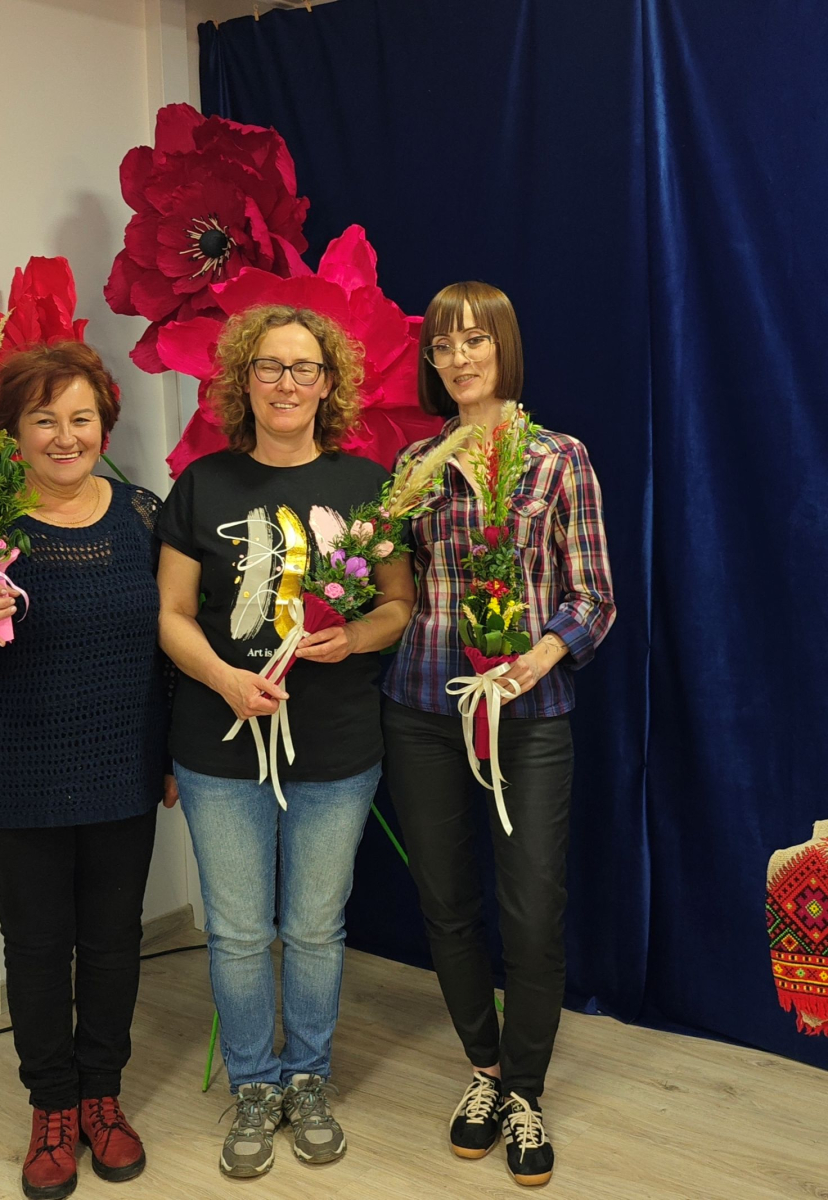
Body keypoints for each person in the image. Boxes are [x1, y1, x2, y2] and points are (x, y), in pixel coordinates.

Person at [156, 304, 415, 1179]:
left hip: (335, 748)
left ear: (328, 384)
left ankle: (307, 1077)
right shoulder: (201, 486)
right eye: (269, 366)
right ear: (244, 379)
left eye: (304, 368)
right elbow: (172, 615)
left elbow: (398, 604)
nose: (286, 383)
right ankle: (253, 1087)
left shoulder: (367, 486)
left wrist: (356, 636)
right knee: (236, 933)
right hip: (219, 746)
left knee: (311, 929)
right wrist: (225, 680)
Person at [0, 341, 175, 1200]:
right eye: (44, 420)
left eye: (81, 418)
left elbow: (168, 648)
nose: (66, 437)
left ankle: (103, 1097)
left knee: (112, 942)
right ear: (13, 433)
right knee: (35, 948)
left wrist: (170, 753)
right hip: (16, 773)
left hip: (121, 767)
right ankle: (52, 1109)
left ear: (104, 424)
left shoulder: (142, 515)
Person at [381, 282, 615, 1188]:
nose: (458, 358)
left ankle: (525, 1091)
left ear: (503, 348)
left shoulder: (558, 459)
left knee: (530, 912)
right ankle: (483, 1071)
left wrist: (539, 657)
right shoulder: (415, 462)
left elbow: (592, 596)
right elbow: (391, 587)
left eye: (474, 340)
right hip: (422, 708)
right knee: (445, 902)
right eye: (442, 345)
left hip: (527, 718)